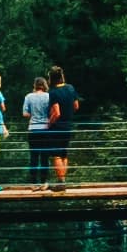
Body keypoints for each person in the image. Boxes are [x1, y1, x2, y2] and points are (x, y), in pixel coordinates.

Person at [46, 61, 81, 189]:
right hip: (68, 125)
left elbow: (56, 112)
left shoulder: (53, 92)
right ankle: (63, 180)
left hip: (57, 127)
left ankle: (61, 181)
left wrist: (49, 124)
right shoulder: (70, 88)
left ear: (51, 78)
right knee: (64, 154)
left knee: (56, 154)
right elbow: (76, 106)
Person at [22, 71, 53, 184]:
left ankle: (34, 182)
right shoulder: (48, 96)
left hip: (33, 129)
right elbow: (52, 111)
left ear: (35, 85)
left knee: (34, 157)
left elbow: (25, 114)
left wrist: (33, 115)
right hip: (45, 129)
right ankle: (44, 181)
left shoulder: (29, 97)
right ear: (44, 85)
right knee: (45, 157)